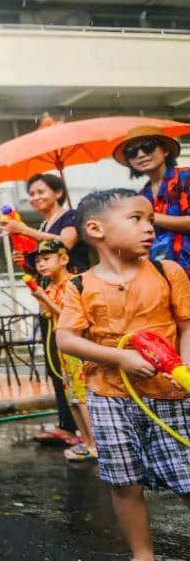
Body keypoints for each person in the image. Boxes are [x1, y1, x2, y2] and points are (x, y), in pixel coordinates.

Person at [56, 189, 190, 561]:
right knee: (124, 480)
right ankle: (142, 554)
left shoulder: (168, 272)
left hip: (169, 392)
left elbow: (185, 325)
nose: (150, 227)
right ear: (96, 229)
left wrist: (185, 367)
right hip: (110, 395)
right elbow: (66, 339)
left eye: (151, 220)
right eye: (137, 219)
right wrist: (120, 358)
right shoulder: (80, 285)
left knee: (186, 474)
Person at [1, 173, 88, 445]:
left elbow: (66, 244)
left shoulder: (71, 216)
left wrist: (23, 230)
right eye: (32, 193)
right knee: (55, 362)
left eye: (41, 191)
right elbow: (44, 262)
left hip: (70, 295)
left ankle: (88, 431)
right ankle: (68, 425)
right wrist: (26, 263)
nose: (35, 197)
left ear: (59, 192)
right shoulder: (43, 223)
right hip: (46, 296)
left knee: (76, 362)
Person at [26, 239, 97, 462]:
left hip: (76, 346)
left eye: (47, 259)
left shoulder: (72, 283)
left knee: (81, 395)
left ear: (64, 259)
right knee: (72, 396)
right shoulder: (50, 286)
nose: (42, 265)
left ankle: (94, 444)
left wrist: (45, 299)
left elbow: (70, 317)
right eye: (38, 261)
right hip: (62, 346)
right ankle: (84, 439)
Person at [113, 126, 190, 275]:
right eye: (132, 152)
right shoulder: (141, 195)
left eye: (148, 146)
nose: (140, 155)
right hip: (161, 271)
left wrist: (150, 217)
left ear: (165, 151)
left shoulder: (186, 177)